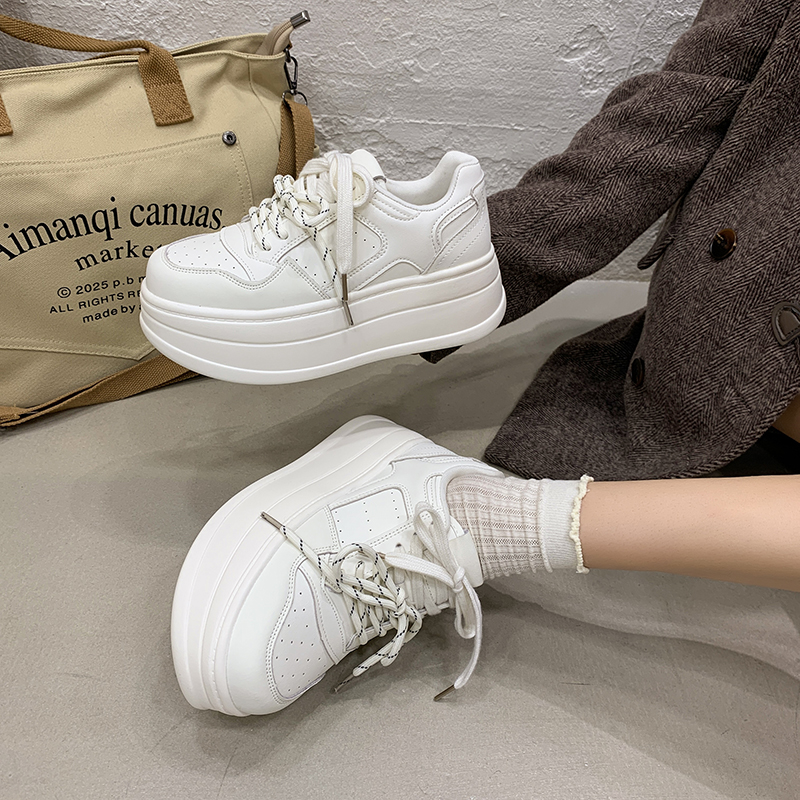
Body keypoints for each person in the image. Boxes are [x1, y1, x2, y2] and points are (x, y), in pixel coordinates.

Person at [169, 0, 800, 715]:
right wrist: (469, 260)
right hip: (718, 360)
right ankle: (396, 274)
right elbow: (696, 93)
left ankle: (473, 518)